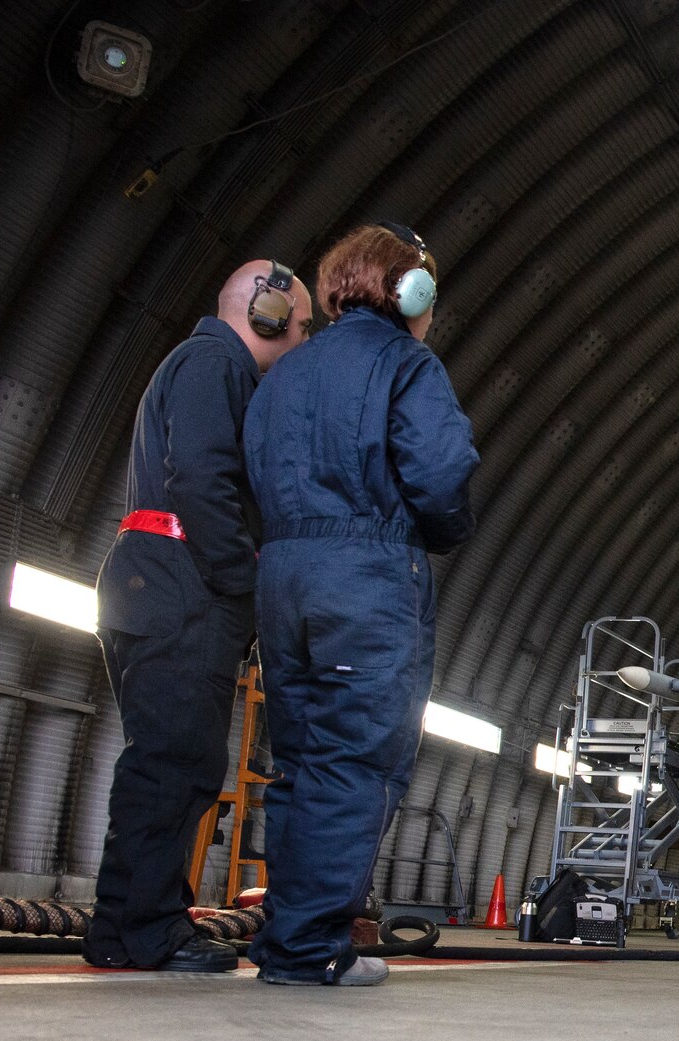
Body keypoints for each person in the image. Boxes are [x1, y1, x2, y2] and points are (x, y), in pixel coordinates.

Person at [243, 223, 478, 987]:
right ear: (409, 292)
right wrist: (433, 531)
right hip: (367, 576)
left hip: (282, 579)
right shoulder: (407, 365)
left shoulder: (283, 374)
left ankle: (285, 940)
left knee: (300, 764)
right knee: (356, 763)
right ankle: (311, 952)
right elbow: (442, 478)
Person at [85, 260, 314, 973]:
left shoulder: (212, 370)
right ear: (268, 313)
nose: (304, 342)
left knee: (180, 760)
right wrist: (242, 585)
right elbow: (203, 479)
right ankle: (137, 931)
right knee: (172, 761)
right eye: (302, 326)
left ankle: (140, 923)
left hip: (160, 584)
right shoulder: (212, 362)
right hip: (179, 585)